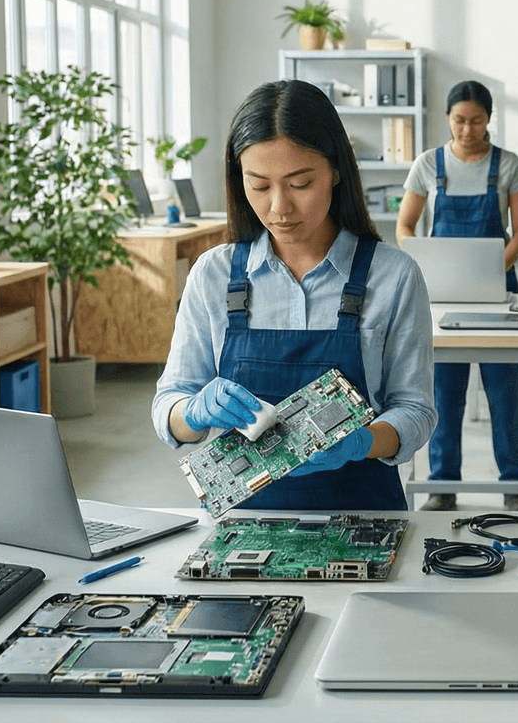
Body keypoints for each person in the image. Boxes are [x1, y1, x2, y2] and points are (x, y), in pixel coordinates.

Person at [152, 79, 435, 512]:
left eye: (300, 183)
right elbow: (168, 408)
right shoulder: (213, 275)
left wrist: (361, 442)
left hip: (364, 520)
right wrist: (192, 411)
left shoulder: (393, 276)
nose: (279, 207)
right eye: (259, 186)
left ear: (336, 171)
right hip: (243, 528)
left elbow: (415, 410)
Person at [396, 81, 518, 513]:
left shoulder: (508, 165)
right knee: (443, 394)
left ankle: (516, 486)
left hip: (499, 298)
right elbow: (404, 228)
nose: (467, 129)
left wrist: (493, 275)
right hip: (442, 301)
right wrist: (426, 271)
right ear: (447, 118)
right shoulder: (427, 164)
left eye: (476, 120)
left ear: (489, 120)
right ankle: (442, 487)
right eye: (459, 120)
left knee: (505, 394)